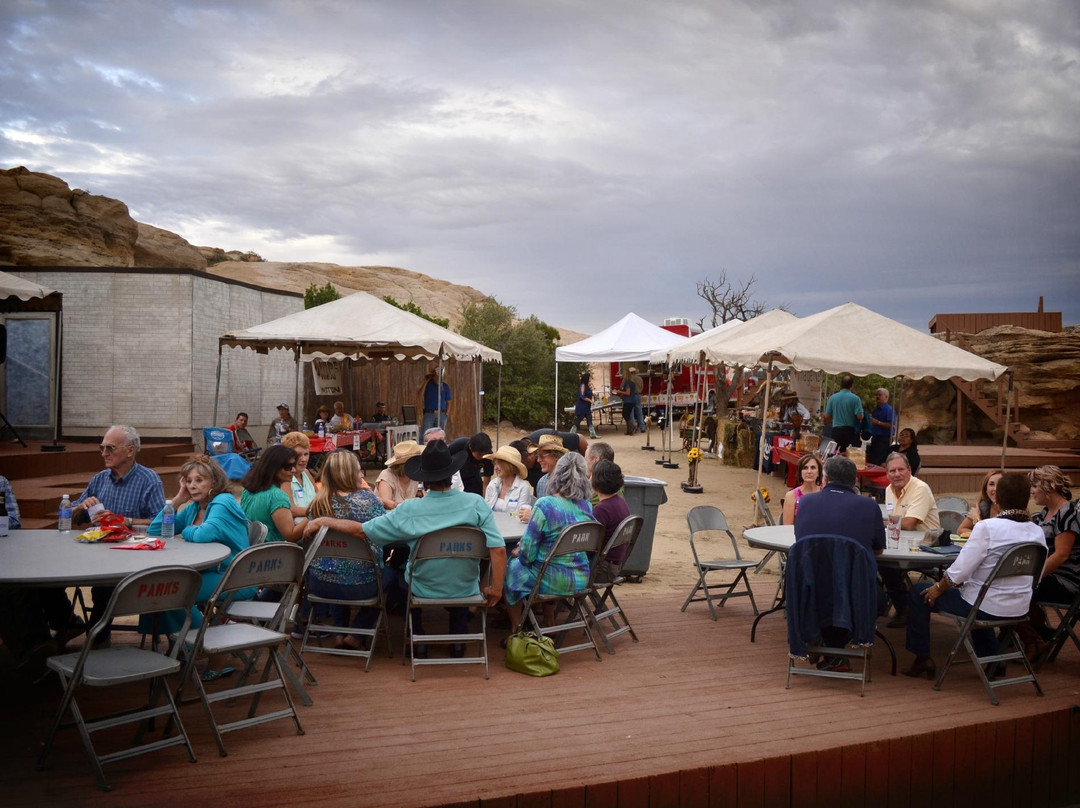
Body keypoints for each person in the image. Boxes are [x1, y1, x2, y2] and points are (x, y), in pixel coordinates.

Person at [304, 440, 506, 659]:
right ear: (452, 474)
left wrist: (325, 521)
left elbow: (363, 531)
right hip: (465, 586)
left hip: (423, 586)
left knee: (403, 576)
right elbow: (498, 549)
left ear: (422, 478)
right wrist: (496, 588)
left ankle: (417, 639)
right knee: (454, 572)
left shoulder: (410, 509)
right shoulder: (476, 503)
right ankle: (458, 641)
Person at [902, 472, 1046, 680]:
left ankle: (922, 659)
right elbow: (1037, 575)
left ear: (999, 498)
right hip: (1020, 607)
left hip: (985, 606)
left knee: (919, 592)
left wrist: (937, 588)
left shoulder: (987, 527)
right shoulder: (1036, 531)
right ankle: (992, 660)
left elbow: (958, 571)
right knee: (976, 594)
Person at [143, 456, 254, 675]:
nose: (193, 485)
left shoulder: (223, 501)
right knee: (157, 589)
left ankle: (205, 647)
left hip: (236, 577)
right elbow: (155, 531)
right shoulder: (194, 508)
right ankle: (189, 644)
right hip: (212, 572)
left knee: (172, 593)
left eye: (199, 480)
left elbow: (204, 534)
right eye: (188, 481)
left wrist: (185, 532)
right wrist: (177, 500)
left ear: (214, 482)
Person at [71, 425, 166, 646]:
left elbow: (161, 523)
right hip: (96, 555)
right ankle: (68, 624)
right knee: (53, 577)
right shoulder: (100, 479)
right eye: (102, 448)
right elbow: (70, 516)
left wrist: (126, 521)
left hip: (132, 559)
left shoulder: (149, 480)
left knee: (105, 588)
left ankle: (95, 641)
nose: (104, 453)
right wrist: (81, 507)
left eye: (110, 448)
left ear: (130, 451)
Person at [793, 455, 886, 670]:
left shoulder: (806, 502)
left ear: (824, 479)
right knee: (875, 596)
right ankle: (835, 649)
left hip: (810, 586)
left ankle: (821, 640)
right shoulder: (869, 506)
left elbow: (801, 541)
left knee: (830, 588)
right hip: (856, 592)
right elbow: (878, 549)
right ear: (854, 481)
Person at [305, 450, 392, 650]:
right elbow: (385, 535)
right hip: (361, 586)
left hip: (319, 584)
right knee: (393, 575)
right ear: (350, 473)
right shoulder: (368, 501)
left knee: (336, 565)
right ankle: (357, 633)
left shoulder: (317, 504)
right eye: (359, 470)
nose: (362, 474)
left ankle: (339, 632)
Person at [504, 452, 595, 629]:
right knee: (544, 562)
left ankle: (517, 630)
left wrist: (519, 551)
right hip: (580, 577)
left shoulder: (545, 504)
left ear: (556, 476)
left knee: (513, 567)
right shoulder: (586, 506)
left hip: (550, 578)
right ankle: (548, 620)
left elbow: (528, 555)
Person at [882, 451, 940, 627]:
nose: (897, 474)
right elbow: (894, 523)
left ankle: (903, 608)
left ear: (909, 470)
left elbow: (908, 524)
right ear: (887, 473)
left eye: (901, 469)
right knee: (877, 559)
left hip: (926, 549)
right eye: (892, 471)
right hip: (900, 545)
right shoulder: (888, 490)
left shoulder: (920, 488)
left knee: (885, 564)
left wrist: (879, 522)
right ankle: (901, 606)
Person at [1026, 466, 1080, 650]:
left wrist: (1035, 577)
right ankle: (1039, 635)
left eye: (1034, 486)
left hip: (1067, 580)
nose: (1031, 491)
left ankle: (1034, 640)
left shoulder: (1067, 513)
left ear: (1049, 486)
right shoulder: (1044, 513)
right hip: (1049, 576)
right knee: (1011, 586)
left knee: (1014, 590)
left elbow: (1061, 555)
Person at [240, 445, 309, 546]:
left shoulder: (248, 490)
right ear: (274, 468)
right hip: (273, 553)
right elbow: (291, 536)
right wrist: (314, 514)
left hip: (250, 550)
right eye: (288, 467)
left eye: (294, 465)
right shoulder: (278, 496)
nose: (293, 470)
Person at [591, 460, 631, 582]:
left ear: (595, 482)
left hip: (601, 569)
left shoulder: (602, 509)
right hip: (615, 565)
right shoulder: (620, 500)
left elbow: (591, 545)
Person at [483, 445, 535, 513]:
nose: (495, 467)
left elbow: (520, 515)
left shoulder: (523, 488)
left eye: (499, 464)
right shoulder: (492, 484)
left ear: (509, 466)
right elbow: (486, 511)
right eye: (495, 464)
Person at [374, 440, 422, 510]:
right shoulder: (387, 475)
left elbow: (422, 495)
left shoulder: (415, 475)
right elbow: (386, 502)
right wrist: (396, 504)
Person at [822, 374, 864, 455]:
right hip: (850, 431)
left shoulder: (833, 397)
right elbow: (860, 416)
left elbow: (827, 416)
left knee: (835, 453)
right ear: (852, 385)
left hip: (836, 430)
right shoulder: (855, 398)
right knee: (848, 455)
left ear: (841, 385)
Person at [957, 470, 1004, 538]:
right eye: (991, 484)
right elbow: (961, 530)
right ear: (986, 490)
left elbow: (997, 536)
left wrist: (976, 519)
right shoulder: (983, 507)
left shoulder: (1013, 509)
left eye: (1000, 485)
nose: (995, 489)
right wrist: (978, 535)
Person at [280, 431, 316, 516]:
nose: (303, 459)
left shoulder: (306, 473)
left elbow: (319, 497)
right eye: (298, 455)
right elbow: (291, 510)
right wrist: (318, 512)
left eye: (306, 454)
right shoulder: (285, 478)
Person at [782, 453, 823, 526]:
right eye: (805, 468)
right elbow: (787, 526)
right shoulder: (791, 496)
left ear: (819, 473)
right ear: (800, 473)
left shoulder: (825, 494)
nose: (809, 471)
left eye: (813, 468)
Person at [531, 433, 569, 498]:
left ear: (556, 456)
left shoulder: (570, 480)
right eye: (537, 456)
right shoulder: (542, 481)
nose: (538, 460)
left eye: (542, 456)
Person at [418, 366, 452, 434]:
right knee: (426, 434)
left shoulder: (445, 386)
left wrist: (446, 414)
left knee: (439, 434)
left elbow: (448, 402)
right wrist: (425, 382)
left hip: (441, 414)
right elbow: (419, 395)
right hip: (429, 413)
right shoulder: (428, 385)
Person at [865, 388, 895, 466]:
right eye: (877, 395)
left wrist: (877, 422)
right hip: (875, 439)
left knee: (879, 461)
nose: (877, 397)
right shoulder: (876, 410)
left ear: (886, 397)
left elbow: (892, 426)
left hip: (884, 439)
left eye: (880, 395)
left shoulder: (889, 410)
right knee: (872, 461)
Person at [613, 367, 642, 435]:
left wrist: (619, 391)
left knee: (626, 415)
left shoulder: (627, 383)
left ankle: (632, 426)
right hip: (634, 398)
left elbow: (628, 393)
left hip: (628, 401)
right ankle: (631, 429)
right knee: (636, 413)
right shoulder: (634, 381)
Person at [571, 371, 599, 439]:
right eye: (589, 378)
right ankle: (571, 433)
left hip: (586, 406)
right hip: (582, 406)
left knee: (589, 418)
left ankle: (593, 434)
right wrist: (590, 400)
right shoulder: (583, 385)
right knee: (579, 419)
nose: (590, 379)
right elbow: (582, 396)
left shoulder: (587, 386)